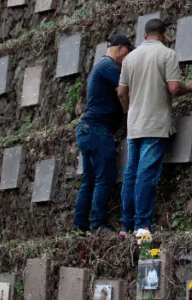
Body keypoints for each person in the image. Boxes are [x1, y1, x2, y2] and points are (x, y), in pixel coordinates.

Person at [117, 19, 192, 233]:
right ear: (164, 34)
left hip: (134, 124)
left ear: (144, 35)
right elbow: (173, 88)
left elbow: (121, 92)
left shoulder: (129, 58)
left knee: (131, 172)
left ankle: (126, 224)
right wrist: (188, 88)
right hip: (155, 123)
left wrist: (127, 109)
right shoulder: (167, 54)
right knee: (147, 173)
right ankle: (142, 224)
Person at [74, 34, 132, 235]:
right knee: (104, 176)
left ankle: (80, 225)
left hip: (88, 129)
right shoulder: (110, 67)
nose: (127, 60)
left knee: (89, 179)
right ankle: (98, 224)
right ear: (122, 49)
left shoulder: (99, 66)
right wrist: (128, 109)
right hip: (98, 129)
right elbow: (122, 91)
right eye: (127, 54)